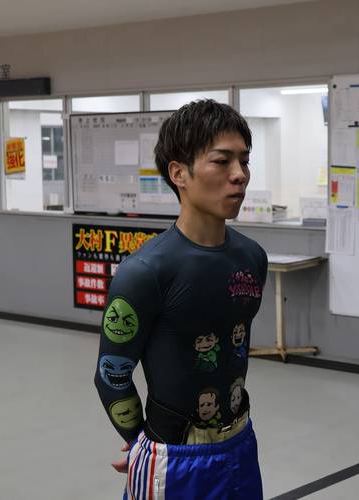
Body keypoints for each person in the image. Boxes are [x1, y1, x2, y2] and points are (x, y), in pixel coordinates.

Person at [94, 99, 267, 499]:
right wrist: (139, 441)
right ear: (179, 173)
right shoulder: (145, 271)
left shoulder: (252, 258)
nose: (239, 175)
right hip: (172, 459)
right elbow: (111, 375)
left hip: (241, 445)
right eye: (221, 161)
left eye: (244, 161)